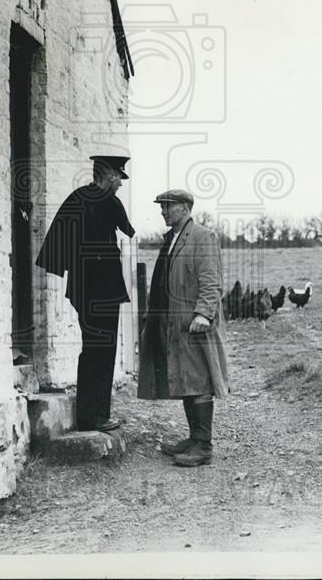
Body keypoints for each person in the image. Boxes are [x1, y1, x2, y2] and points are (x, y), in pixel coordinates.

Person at [35, 155, 135, 432]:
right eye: (118, 178)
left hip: (83, 289)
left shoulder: (76, 198)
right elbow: (128, 231)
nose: (120, 184)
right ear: (108, 175)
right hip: (104, 290)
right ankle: (95, 417)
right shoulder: (110, 202)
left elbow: (56, 243)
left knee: (92, 349)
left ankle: (92, 415)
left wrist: (71, 269)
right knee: (102, 349)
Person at [137, 189, 230, 466]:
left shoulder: (203, 236)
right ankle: (194, 438)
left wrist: (203, 313)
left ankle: (204, 446)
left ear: (186, 208)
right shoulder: (173, 239)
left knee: (199, 380)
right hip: (175, 323)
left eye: (169, 207)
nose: (163, 212)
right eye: (162, 208)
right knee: (187, 379)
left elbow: (211, 280)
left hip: (195, 324)